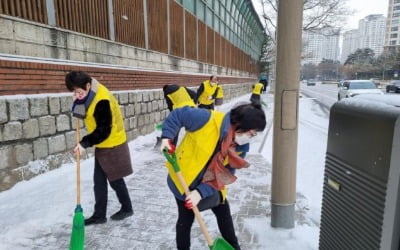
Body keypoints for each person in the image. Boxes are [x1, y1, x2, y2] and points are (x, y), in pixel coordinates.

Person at [160, 103, 266, 250]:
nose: (250, 138)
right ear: (240, 124)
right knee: (185, 219)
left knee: (224, 212)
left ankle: (234, 247)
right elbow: (178, 115)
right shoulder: (206, 119)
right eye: (251, 133)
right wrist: (167, 138)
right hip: (183, 181)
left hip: (211, 184)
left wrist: (200, 192)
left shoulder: (239, 148)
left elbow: (225, 174)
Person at [65, 71, 133, 226]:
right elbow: (81, 115)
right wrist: (77, 103)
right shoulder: (88, 94)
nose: (77, 94)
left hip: (112, 142)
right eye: (74, 92)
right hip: (103, 144)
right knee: (99, 181)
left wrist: (84, 143)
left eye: (79, 91)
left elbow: (104, 130)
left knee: (115, 179)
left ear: (88, 85)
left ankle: (127, 208)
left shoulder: (102, 100)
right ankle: (99, 215)